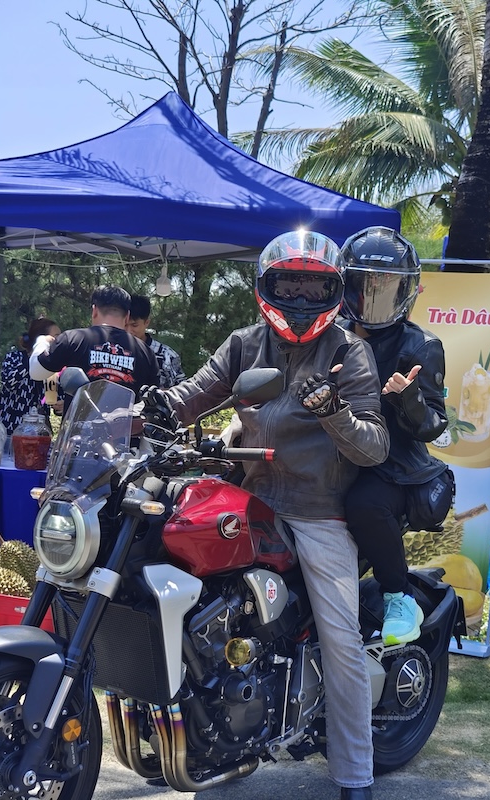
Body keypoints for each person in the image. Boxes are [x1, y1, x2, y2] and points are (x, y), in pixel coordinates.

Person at [145, 230, 389, 800]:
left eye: (313, 287)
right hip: (246, 496)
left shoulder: (349, 352)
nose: (300, 298)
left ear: (334, 292)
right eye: (290, 285)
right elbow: (195, 393)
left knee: (341, 639)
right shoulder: (244, 344)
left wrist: (334, 412)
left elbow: (374, 446)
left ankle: (354, 773)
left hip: (315, 510)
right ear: (267, 287)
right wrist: (149, 407)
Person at [340, 227, 454, 646]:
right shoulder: (330, 331)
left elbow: (435, 425)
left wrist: (408, 399)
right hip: (329, 452)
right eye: (364, 285)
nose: (374, 296)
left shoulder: (421, 346)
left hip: (391, 465)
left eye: (385, 287)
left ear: (405, 291)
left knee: (364, 504)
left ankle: (398, 596)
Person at [29, 285, 159, 409]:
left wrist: (42, 341)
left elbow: (36, 372)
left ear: (94, 311)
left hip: (80, 424)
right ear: (127, 316)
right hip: (126, 425)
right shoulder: (146, 352)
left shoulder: (73, 339)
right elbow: (151, 399)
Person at [0, 317, 63, 435]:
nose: (59, 341)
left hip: (39, 433)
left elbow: (57, 396)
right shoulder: (14, 358)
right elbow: (9, 382)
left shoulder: (51, 365)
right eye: (56, 337)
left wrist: (61, 405)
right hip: (10, 429)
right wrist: (35, 356)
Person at [127, 294, 186, 388]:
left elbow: (182, 390)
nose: (129, 331)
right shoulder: (114, 351)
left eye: (134, 325)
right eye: (125, 325)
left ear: (147, 322)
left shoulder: (166, 356)